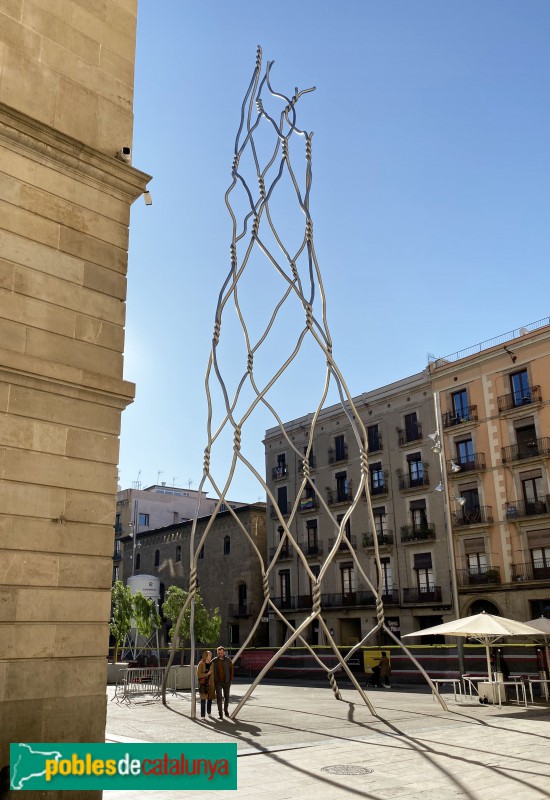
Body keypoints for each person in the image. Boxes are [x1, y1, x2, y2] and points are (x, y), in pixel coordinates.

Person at [211, 645, 234, 719]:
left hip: (227, 682)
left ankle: (226, 710)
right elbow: (208, 667)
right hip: (218, 682)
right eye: (218, 653)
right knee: (219, 698)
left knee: (226, 697)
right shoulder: (214, 660)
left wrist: (230, 680)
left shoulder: (228, 660)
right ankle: (220, 714)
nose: (220, 654)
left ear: (223, 652)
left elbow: (231, 671)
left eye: (221, 653)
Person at [197, 650, 215, 719]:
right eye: (210, 655)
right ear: (206, 656)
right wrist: (207, 673)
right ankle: (202, 716)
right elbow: (199, 675)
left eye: (211, 655)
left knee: (210, 699)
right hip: (203, 684)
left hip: (210, 684)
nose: (211, 656)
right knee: (203, 700)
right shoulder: (201, 663)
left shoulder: (212, 664)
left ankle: (209, 712)